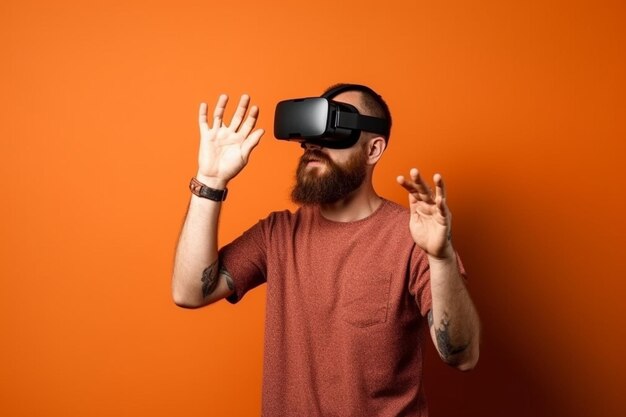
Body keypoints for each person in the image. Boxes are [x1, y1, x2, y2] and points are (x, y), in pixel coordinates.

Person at [172, 84, 480, 417]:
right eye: (310, 138)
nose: (314, 147)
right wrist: (210, 180)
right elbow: (190, 292)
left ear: (373, 149)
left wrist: (441, 257)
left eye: (335, 132)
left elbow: (463, 356)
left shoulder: (413, 237)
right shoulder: (278, 234)